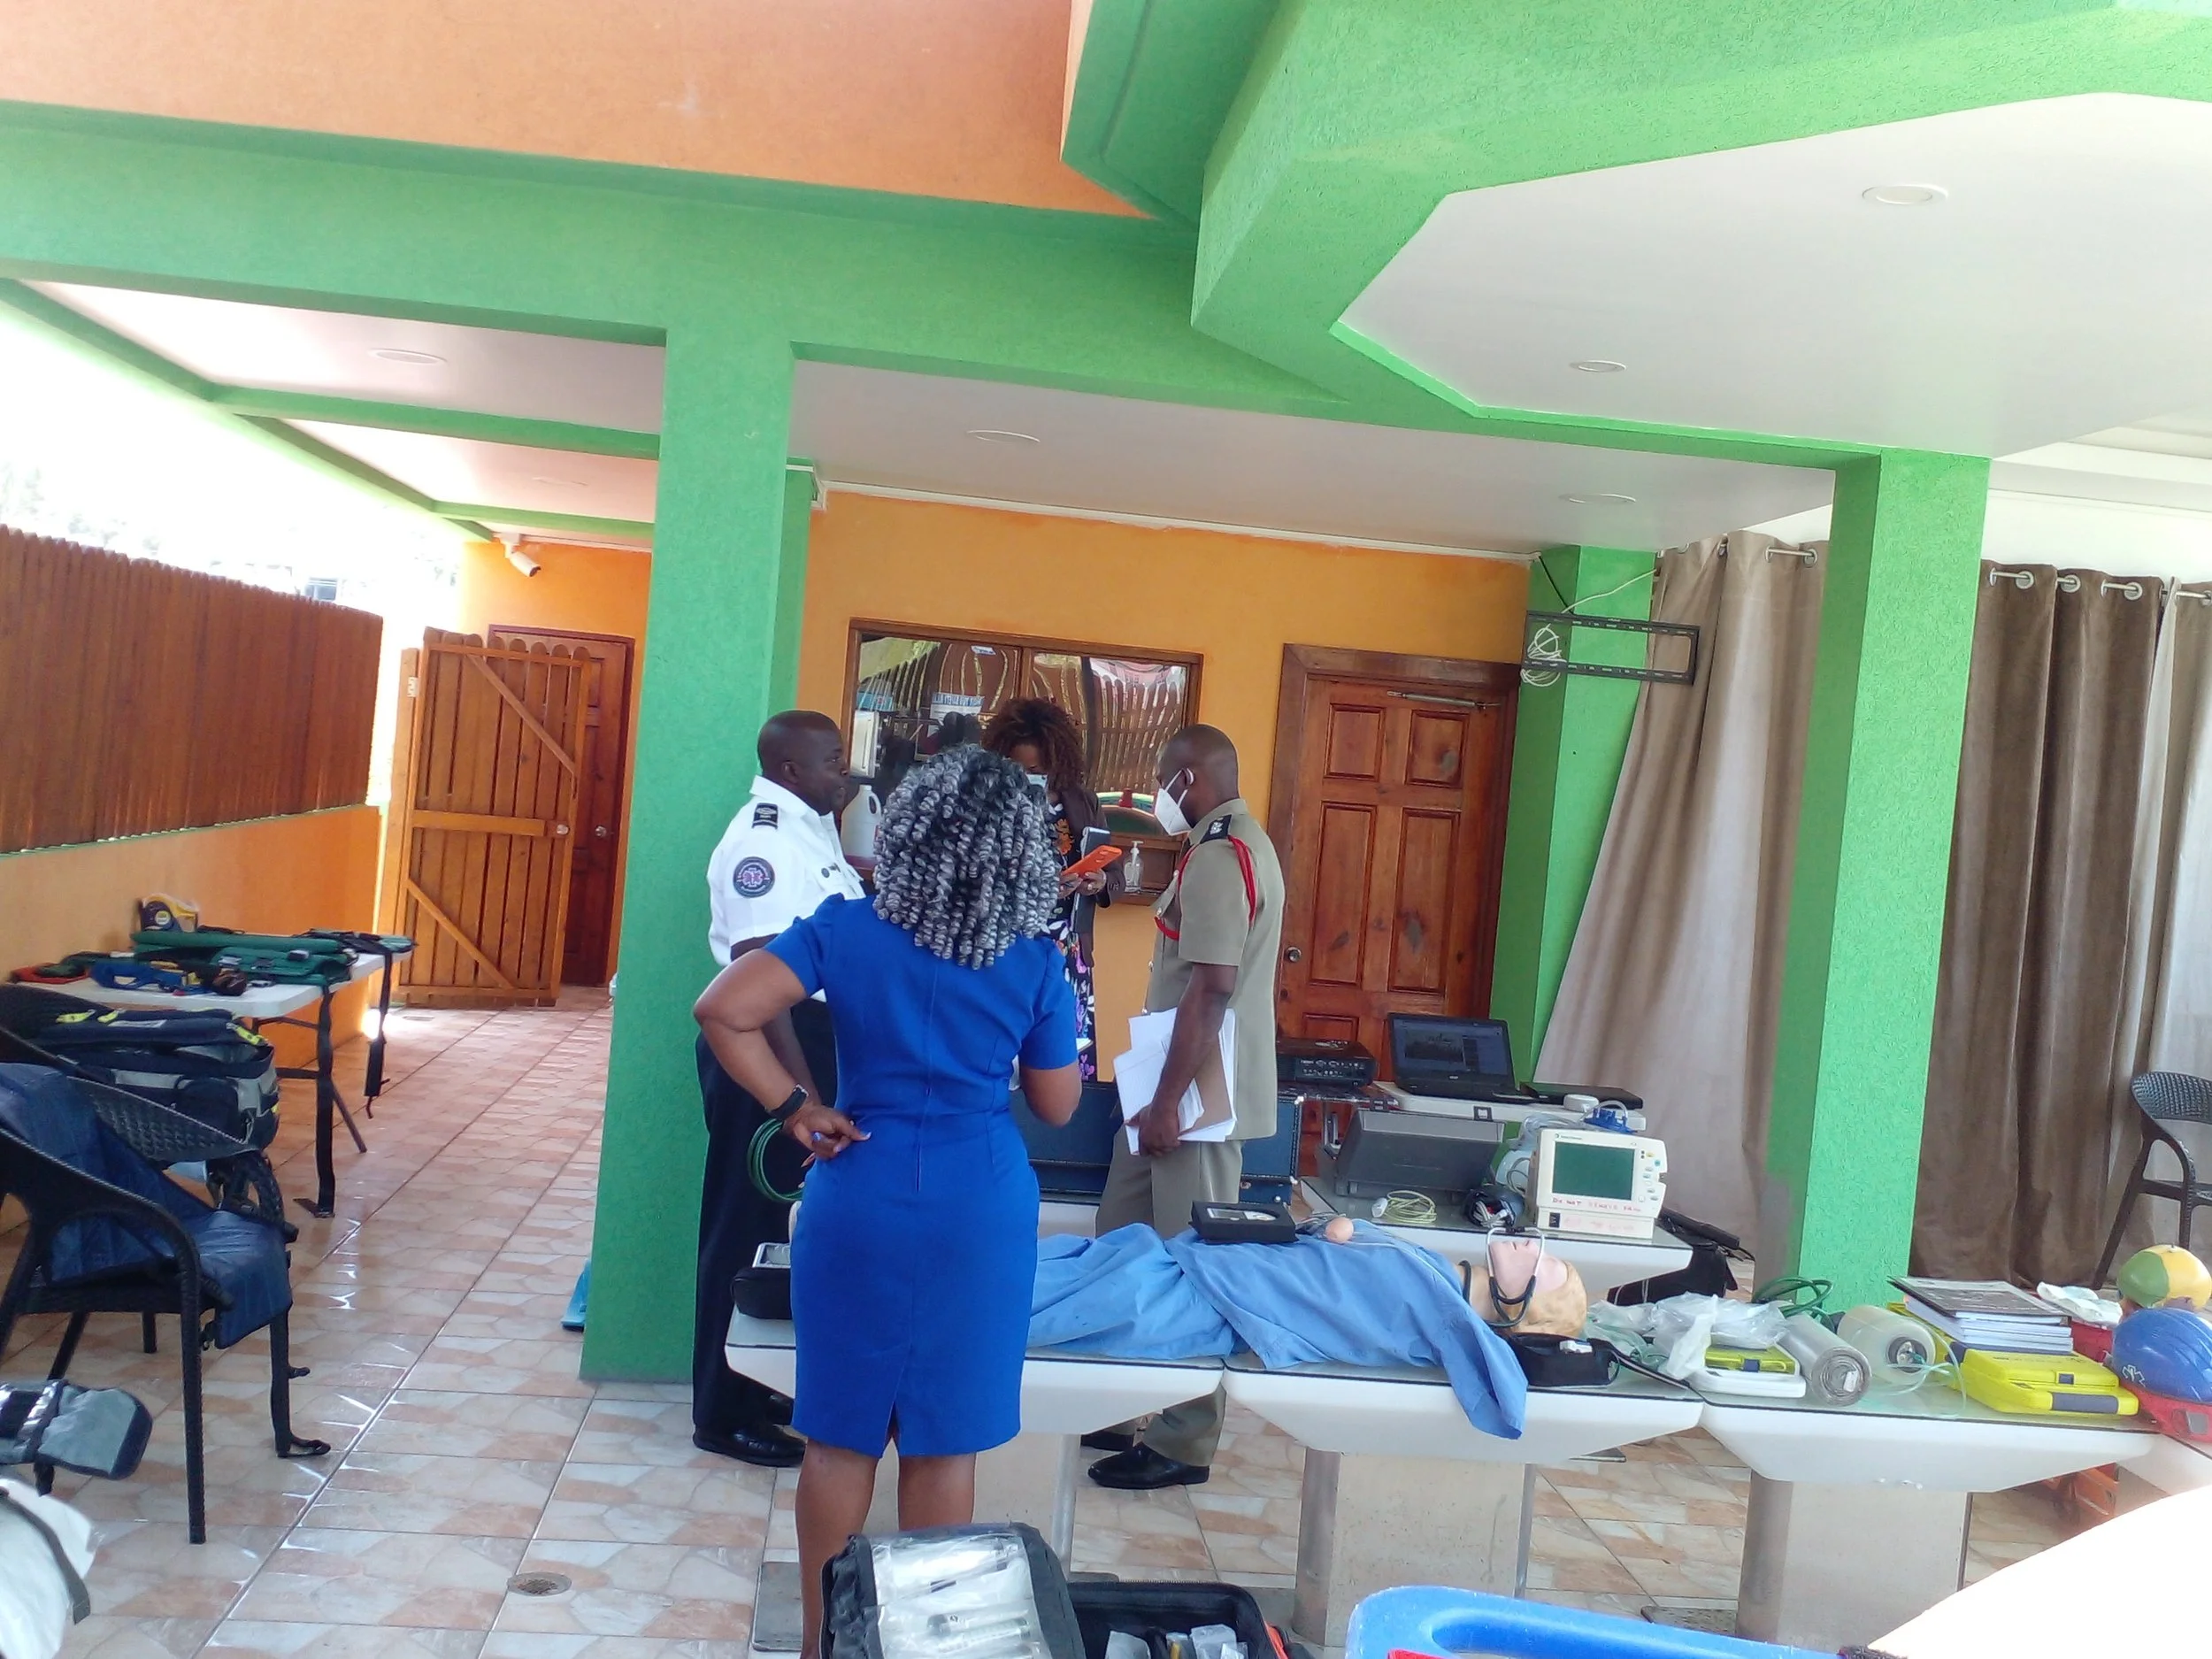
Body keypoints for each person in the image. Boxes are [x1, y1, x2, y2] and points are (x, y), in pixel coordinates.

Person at [694, 747, 1081, 1657]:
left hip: (856, 1193)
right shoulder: (1033, 964)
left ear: (906, 836)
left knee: (837, 1437)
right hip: (974, 1207)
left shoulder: (844, 929)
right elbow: (1059, 1105)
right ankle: (920, 1647)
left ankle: (824, 1648)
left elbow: (723, 1009)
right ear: (1020, 854)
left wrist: (795, 1109)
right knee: (944, 1445)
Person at [1086, 724, 1284, 1491]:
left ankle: (1182, 1439)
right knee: (1119, 1237)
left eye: (1165, 780)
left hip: (1195, 1096)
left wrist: (1166, 1103)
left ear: (1192, 778)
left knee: (1190, 1263)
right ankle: (1108, 1398)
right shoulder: (1224, 845)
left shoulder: (1218, 855)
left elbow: (1213, 986)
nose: (1159, 796)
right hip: (1165, 1087)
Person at [694, 709, 865, 1468]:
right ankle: (720, 1409)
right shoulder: (765, 837)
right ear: (791, 768)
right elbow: (758, 979)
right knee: (742, 1224)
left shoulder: (810, 825)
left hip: (806, 1047)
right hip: (766, 1055)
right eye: (833, 761)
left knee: (780, 1230)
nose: (847, 771)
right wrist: (796, 1096)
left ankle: (758, 1385)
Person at [982, 697, 1126, 1080]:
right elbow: (976, 878)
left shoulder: (1080, 801)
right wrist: (1039, 890)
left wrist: (1098, 881)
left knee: (1062, 1056)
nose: (1032, 779)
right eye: (1021, 770)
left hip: (1068, 951)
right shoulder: (987, 805)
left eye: (1040, 770)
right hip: (1007, 947)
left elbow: (1114, 871)